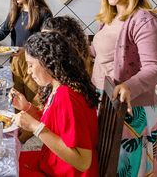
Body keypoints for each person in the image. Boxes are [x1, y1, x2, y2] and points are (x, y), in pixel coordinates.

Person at [91, 0, 157, 176]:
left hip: (133, 109)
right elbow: (100, 54)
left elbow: (155, 68)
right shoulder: (109, 17)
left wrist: (128, 86)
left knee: (130, 169)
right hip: (107, 102)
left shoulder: (144, 20)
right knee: (108, 167)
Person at [11, 32, 100, 176]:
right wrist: (27, 107)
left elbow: (83, 162)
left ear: (47, 62)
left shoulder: (68, 97)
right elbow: (56, 126)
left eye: (31, 65)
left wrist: (34, 127)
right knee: (4, 161)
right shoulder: (58, 87)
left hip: (64, 172)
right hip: (51, 163)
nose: (28, 71)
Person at [13, 16, 92, 143]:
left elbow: (82, 159)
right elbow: (49, 119)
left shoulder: (68, 92)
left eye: (48, 43)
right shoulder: (57, 83)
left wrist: (31, 129)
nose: (42, 48)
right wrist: (27, 107)